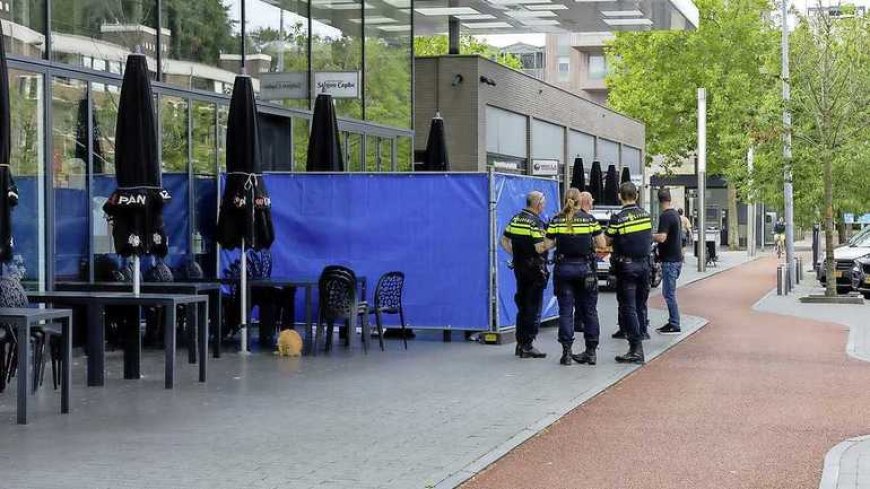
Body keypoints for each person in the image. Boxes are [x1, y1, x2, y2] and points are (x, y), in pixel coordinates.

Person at [540, 189, 605, 366]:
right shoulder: (589, 220)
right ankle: (591, 352)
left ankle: (566, 353)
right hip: (585, 270)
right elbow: (602, 244)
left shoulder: (557, 220)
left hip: (564, 270)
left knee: (566, 312)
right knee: (590, 311)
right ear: (579, 201)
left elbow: (547, 244)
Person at [605, 182, 653, 364]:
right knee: (640, 305)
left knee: (628, 307)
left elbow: (607, 239)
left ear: (620, 196)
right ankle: (641, 337)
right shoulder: (646, 215)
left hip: (627, 267)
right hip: (645, 266)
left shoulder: (618, 218)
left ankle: (635, 348)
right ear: (637, 195)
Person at [501, 191, 549, 359]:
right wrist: (553, 241)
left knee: (522, 305)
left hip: (520, 268)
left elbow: (503, 240)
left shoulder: (516, 218)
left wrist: (515, 255)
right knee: (533, 307)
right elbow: (539, 248)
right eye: (543, 203)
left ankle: (520, 344)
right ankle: (527, 345)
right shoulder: (535, 223)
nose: (544, 206)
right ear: (538, 204)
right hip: (535, 270)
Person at [653, 188, 683, 335]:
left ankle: (674, 323)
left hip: (670, 261)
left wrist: (650, 235)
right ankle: (672, 321)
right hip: (676, 259)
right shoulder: (676, 214)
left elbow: (662, 237)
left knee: (668, 293)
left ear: (659, 201)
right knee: (669, 292)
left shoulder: (665, 216)